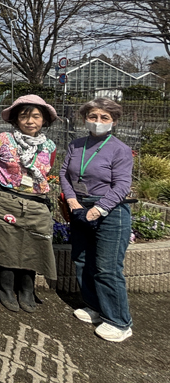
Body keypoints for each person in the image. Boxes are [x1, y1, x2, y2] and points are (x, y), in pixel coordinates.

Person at [0, 94, 58, 313]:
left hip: (35, 202)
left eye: (36, 116)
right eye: (24, 116)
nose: (30, 121)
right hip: (4, 200)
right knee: (5, 244)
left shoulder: (49, 146)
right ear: (15, 119)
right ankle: (6, 288)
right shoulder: (2, 140)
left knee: (34, 245)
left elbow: (46, 173)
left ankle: (27, 289)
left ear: (44, 120)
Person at [60, 98, 134, 342]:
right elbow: (64, 174)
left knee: (107, 268)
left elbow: (122, 184)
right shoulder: (76, 144)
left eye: (104, 118)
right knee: (82, 260)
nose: (98, 121)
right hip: (80, 206)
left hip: (110, 211)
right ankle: (94, 306)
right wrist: (72, 200)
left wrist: (100, 208)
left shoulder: (120, 149)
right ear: (85, 119)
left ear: (114, 121)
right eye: (93, 116)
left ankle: (119, 321)